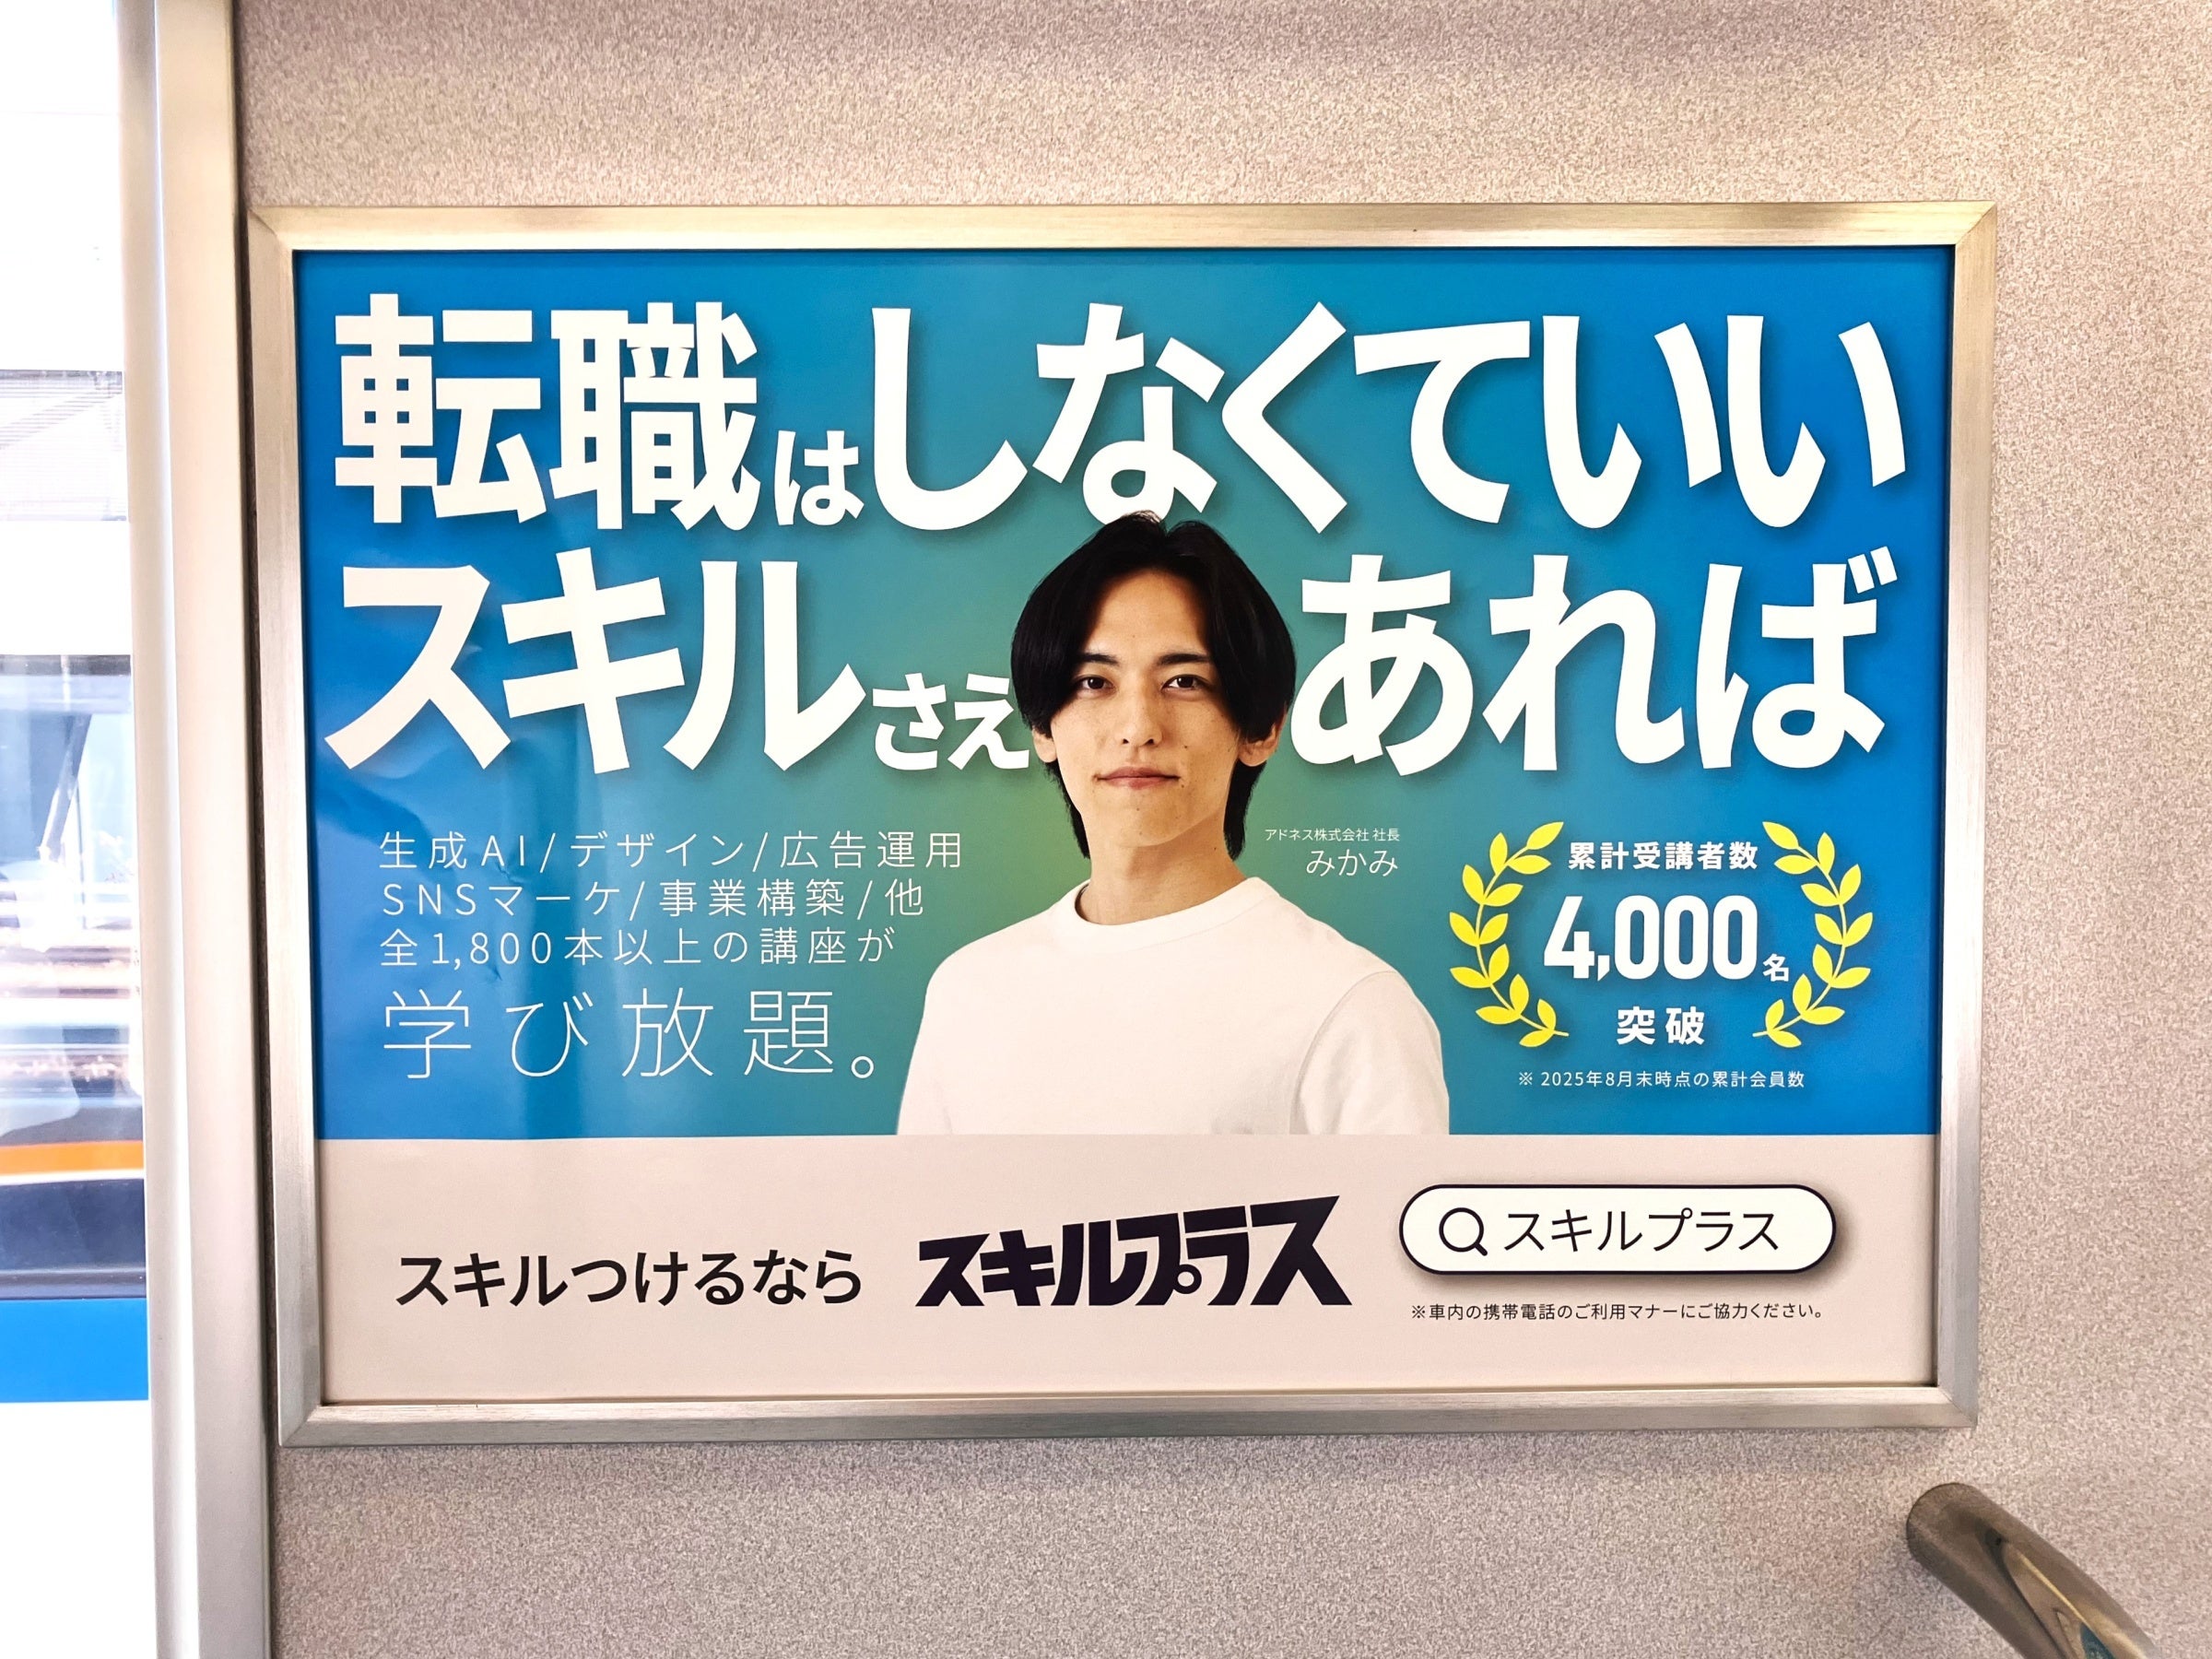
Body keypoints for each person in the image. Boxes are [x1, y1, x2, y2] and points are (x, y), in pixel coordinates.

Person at [898, 513, 1449, 1135]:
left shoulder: (1350, 1006)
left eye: (1184, 681)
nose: (1138, 727)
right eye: (1093, 682)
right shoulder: (968, 992)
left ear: (1262, 728)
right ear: (1043, 728)